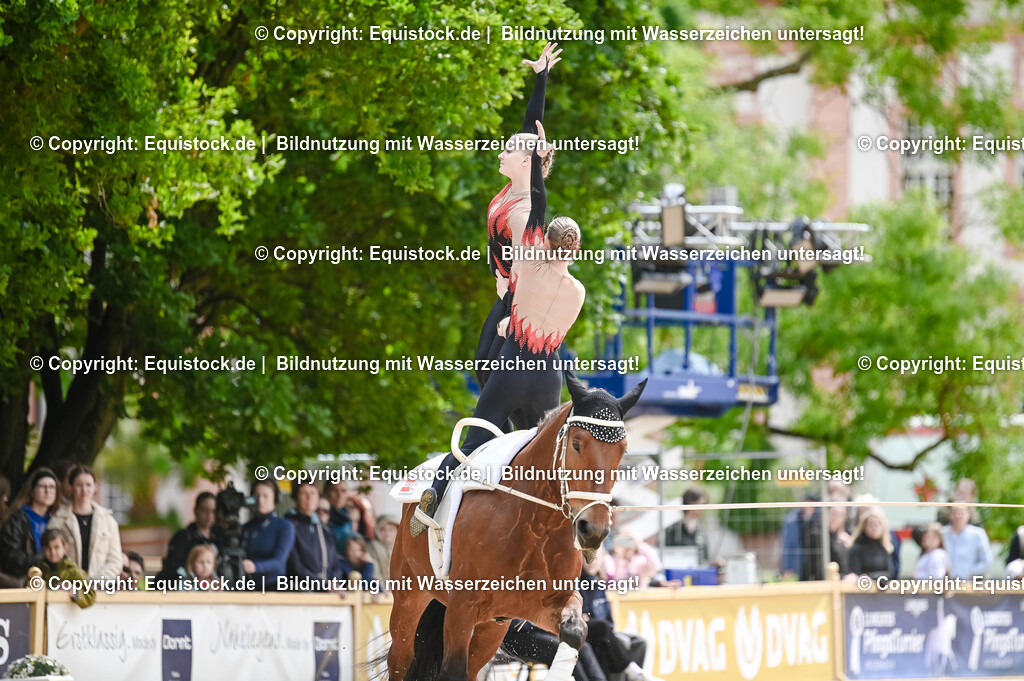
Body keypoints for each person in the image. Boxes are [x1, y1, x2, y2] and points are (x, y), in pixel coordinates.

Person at [413, 127, 586, 536]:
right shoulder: (577, 292)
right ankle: (572, 530)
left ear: (544, 242)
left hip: (513, 365)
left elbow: (536, 201)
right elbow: (552, 328)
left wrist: (509, 319)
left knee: (474, 440)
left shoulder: (530, 273)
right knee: (547, 458)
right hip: (548, 373)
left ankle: (433, 500)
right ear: (576, 250)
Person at [475, 42, 561, 390]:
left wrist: (512, 311)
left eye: (509, 149)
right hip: (503, 289)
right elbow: (531, 126)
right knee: (483, 367)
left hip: (518, 296)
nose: (501, 152)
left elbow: (526, 271)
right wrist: (541, 79)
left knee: (490, 369)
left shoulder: (525, 206)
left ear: (528, 161)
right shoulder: (512, 185)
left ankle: (516, 436)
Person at [49, 465, 122, 580]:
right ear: (71, 487)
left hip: (99, 588)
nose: (84, 490)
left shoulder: (108, 522)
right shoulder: (58, 520)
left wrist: (95, 582)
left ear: (94, 487)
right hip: (67, 587)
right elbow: (51, 556)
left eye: (88, 485)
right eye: (79, 485)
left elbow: (115, 561)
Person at [0, 468, 60, 586]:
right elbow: (10, 558)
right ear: (32, 491)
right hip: (24, 584)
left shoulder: (58, 520)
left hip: (52, 584)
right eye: (43, 486)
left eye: (52, 487)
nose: (48, 491)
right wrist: (44, 561)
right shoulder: (17, 519)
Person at [285, 482, 344, 587]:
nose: (309, 497)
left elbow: (336, 564)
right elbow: (295, 566)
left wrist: (333, 583)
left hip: (328, 589)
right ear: (295, 498)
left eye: (313, 493)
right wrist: (322, 585)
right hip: (301, 589)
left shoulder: (324, 528)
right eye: (304, 493)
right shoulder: (289, 526)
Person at [241, 479, 295, 590]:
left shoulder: (284, 526)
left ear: (275, 498)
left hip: (274, 588)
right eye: (257, 496)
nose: (261, 500)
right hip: (247, 587)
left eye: (266, 496)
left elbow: (279, 562)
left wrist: (255, 567)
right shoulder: (246, 528)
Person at [157, 492, 221, 580]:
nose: (209, 515)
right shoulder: (183, 537)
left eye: (213, 511)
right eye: (204, 510)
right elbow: (173, 567)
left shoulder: (220, 538)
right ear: (195, 510)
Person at [38, 528, 95, 609]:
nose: (52, 552)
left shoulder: (74, 572)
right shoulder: (38, 572)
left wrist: (75, 592)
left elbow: (90, 595)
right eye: (48, 548)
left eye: (56, 547)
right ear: (43, 550)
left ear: (65, 547)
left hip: (65, 617)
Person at [846, 507, 895, 581]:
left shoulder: (885, 547)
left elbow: (890, 573)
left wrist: (870, 576)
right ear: (864, 527)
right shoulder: (856, 548)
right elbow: (855, 574)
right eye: (870, 525)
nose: (874, 528)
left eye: (877, 524)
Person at [943, 505, 991, 579]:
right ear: (950, 515)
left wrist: (968, 572)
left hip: (969, 583)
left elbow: (986, 562)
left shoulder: (978, 534)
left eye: (961, 513)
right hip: (944, 583)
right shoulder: (942, 534)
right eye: (954, 512)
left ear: (968, 515)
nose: (957, 516)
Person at [664, 488, 709, 564]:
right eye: (701, 504)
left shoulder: (701, 528)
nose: (703, 509)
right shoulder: (673, 529)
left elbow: (705, 555)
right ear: (691, 503)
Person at [322, 481, 353, 555]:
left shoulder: (348, 517)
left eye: (343, 491)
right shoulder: (322, 517)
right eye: (334, 490)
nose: (339, 495)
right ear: (326, 493)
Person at [368, 515, 398, 586]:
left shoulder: (402, 547)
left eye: (391, 530)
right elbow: (375, 572)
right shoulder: (373, 546)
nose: (387, 534)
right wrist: (382, 588)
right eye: (383, 530)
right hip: (382, 590)